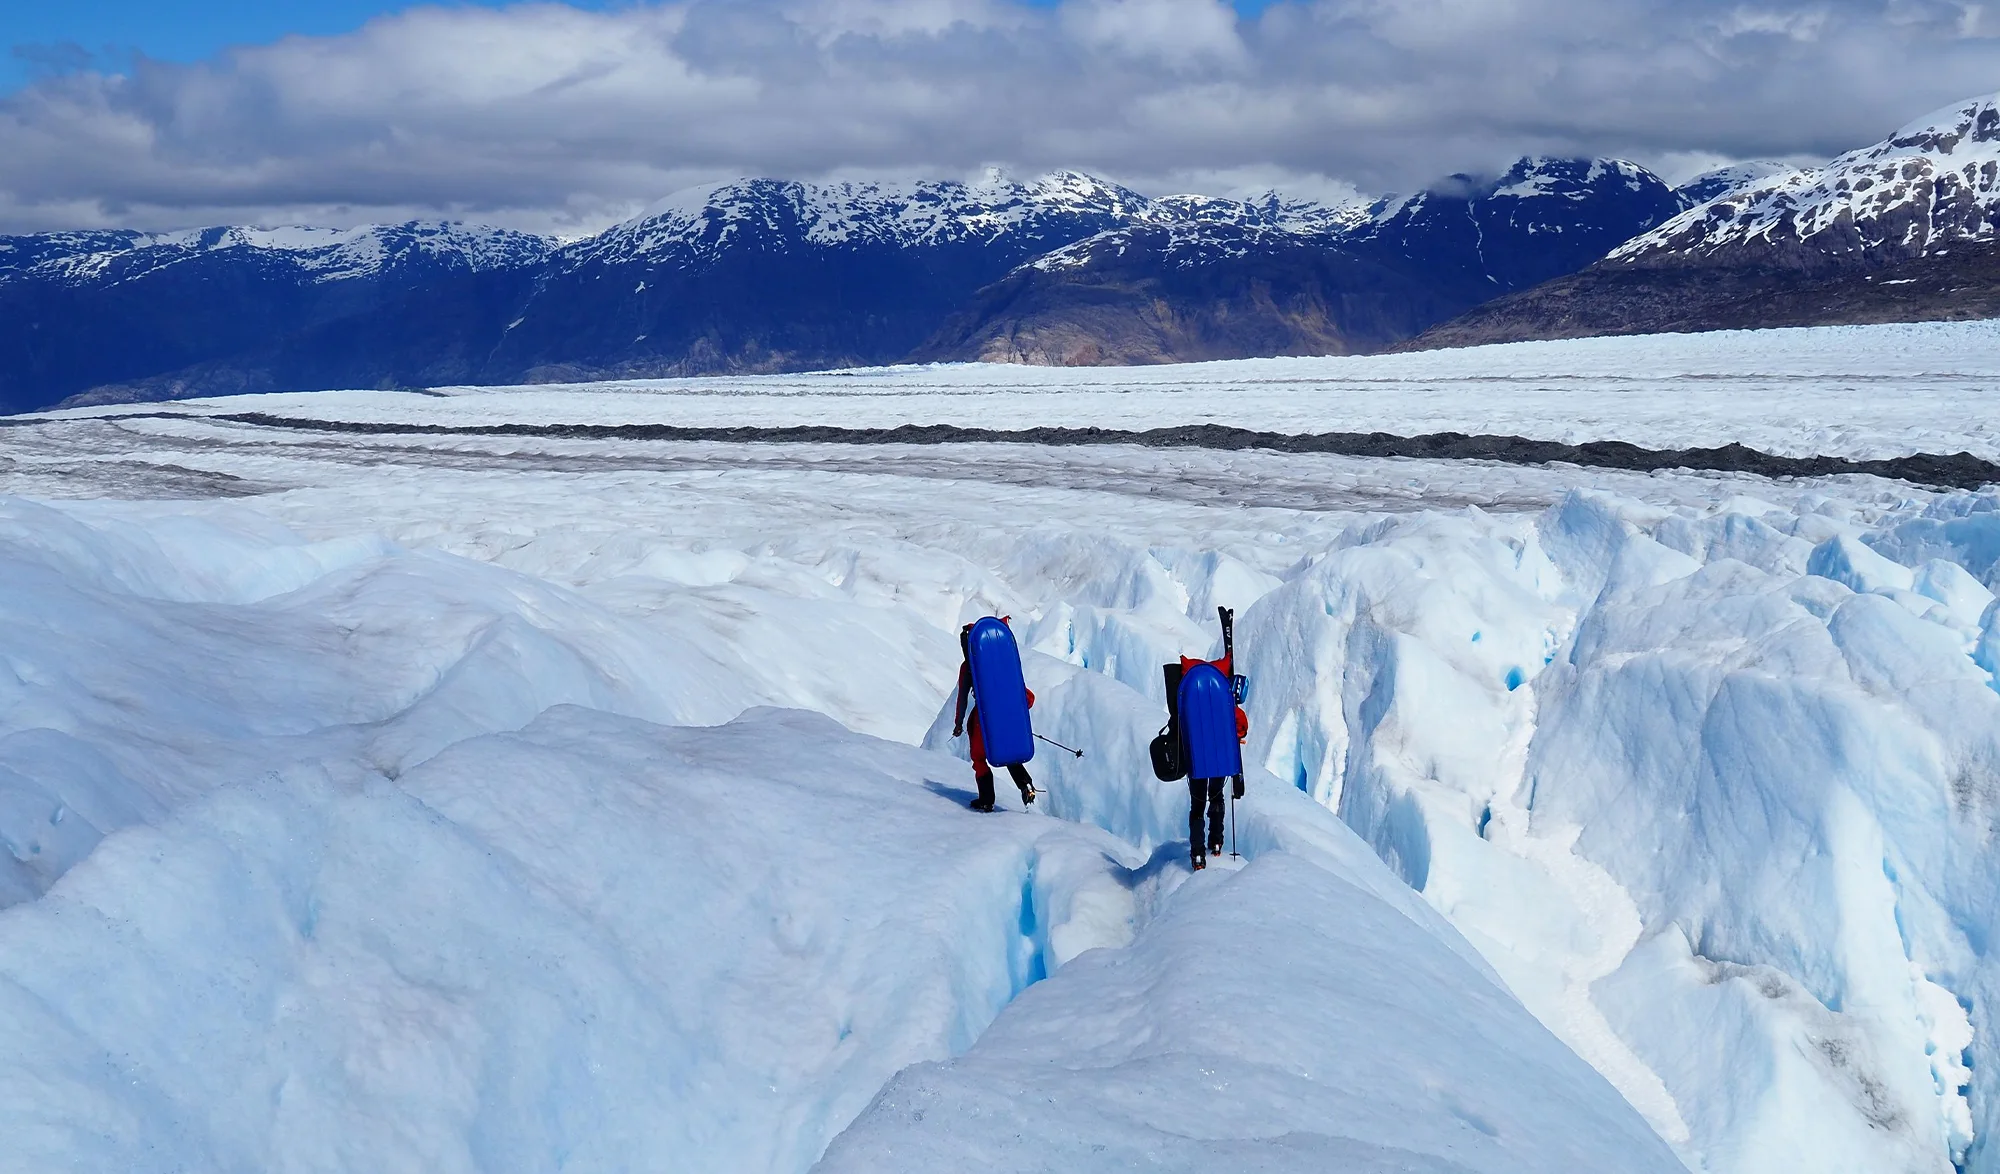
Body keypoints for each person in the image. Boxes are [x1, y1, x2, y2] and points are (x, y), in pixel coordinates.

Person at [953, 622, 1037, 812]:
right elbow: (1023, 693)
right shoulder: (1004, 660)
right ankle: (1026, 785)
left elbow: (962, 699)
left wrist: (958, 724)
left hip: (984, 716)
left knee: (979, 757)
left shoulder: (968, 667)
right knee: (1008, 750)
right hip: (1008, 713)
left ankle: (986, 800)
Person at [1181, 655, 1248, 869]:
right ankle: (1216, 842)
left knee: (1197, 804)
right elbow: (1240, 725)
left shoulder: (1189, 690)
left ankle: (1197, 854)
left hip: (1196, 758)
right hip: (1220, 756)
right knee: (1217, 796)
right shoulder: (1223, 692)